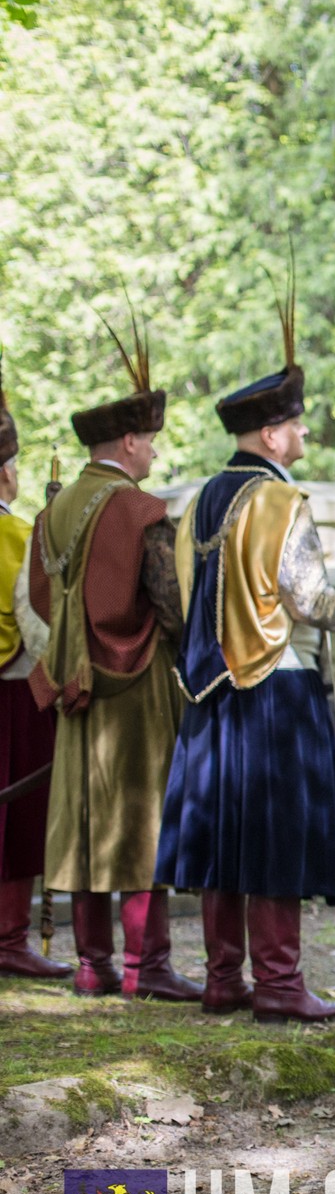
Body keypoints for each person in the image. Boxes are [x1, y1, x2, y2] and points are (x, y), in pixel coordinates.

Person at [156, 298, 335, 1022]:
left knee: (224, 835)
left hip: (210, 689)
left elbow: (175, 595)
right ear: (273, 431)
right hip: (278, 687)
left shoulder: (199, 501)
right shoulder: (280, 501)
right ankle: (277, 983)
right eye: (299, 422)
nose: (306, 431)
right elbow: (311, 601)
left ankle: (223, 979)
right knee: (274, 837)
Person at [26, 316, 196, 1000]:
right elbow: (171, 601)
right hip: (133, 686)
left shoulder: (54, 510)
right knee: (139, 817)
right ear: (128, 441)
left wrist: (69, 656)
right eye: (149, 441)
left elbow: (39, 597)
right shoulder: (138, 507)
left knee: (83, 822)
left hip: (71, 685)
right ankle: (145, 966)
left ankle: (91, 965)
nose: (153, 452)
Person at [0, 361, 70, 980]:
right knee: (17, 818)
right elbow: (38, 624)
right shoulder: (21, 534)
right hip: (13, 692)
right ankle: (8, 938)